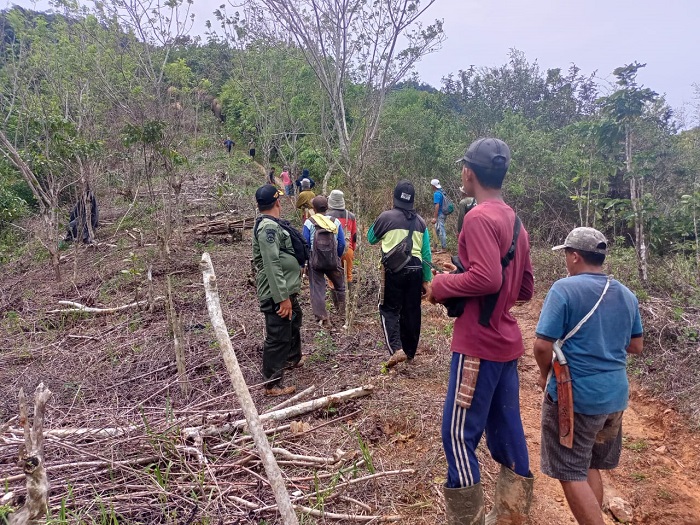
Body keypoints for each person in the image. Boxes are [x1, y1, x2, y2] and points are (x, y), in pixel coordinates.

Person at [427, 138, 534, 524]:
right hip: (506, 345)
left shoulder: (477, 217)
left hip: (477, 345)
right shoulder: (515, 221)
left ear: (469, 173)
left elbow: (487, 277)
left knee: (457, 436)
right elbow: (524, 289)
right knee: (507, 431)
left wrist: (443, 286)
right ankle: (511, 517)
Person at [533, 227, 643, 525]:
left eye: (567, 254)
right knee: (590, 463)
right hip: (615, 398)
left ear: (575, 256)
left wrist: (545, 377)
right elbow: (635, 345)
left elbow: (543, 346)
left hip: (577, 398)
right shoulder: (626, 293)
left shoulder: (564, 289)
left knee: (569, 471)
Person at [368, 180, 432, 368]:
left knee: (389, 310)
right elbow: (426, 253)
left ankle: (396, 349)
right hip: (416, 270)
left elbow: (371, 238)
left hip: (393, 270)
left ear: (394, 197)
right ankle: (410, 353)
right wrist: (427, 281)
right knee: (412, 311)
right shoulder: (421, 222)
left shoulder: (386, 217)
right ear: (413, 201)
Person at [252, 184, 304, 397]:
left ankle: (292, 358)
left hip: (285, 289)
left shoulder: (272, 225)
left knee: (294, 320)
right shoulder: (268, 228)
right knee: (278, 335)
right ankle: (272, 384)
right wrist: (282, 298)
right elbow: (272, 263)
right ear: (277, 203)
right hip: (276, 293)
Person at [303, 196, 346, 327]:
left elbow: (304, 244)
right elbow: (342, 243)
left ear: (314, 209)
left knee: (317, 289)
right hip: (333, 260)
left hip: (315, 261)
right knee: (340, 286)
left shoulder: (309, 222)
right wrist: (336, 257)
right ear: (327, 208)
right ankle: (343, 314)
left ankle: (323, 318)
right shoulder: (335, 221)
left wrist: (306, 262)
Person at [326, 189, 357, 286]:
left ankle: (336, 300)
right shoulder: (351, 216)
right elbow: (354, 236)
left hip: (332, 251)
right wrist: (352, 250)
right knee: (348, 276)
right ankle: (349, 299)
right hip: (348, 249)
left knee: (332, 278)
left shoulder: (327, 216)